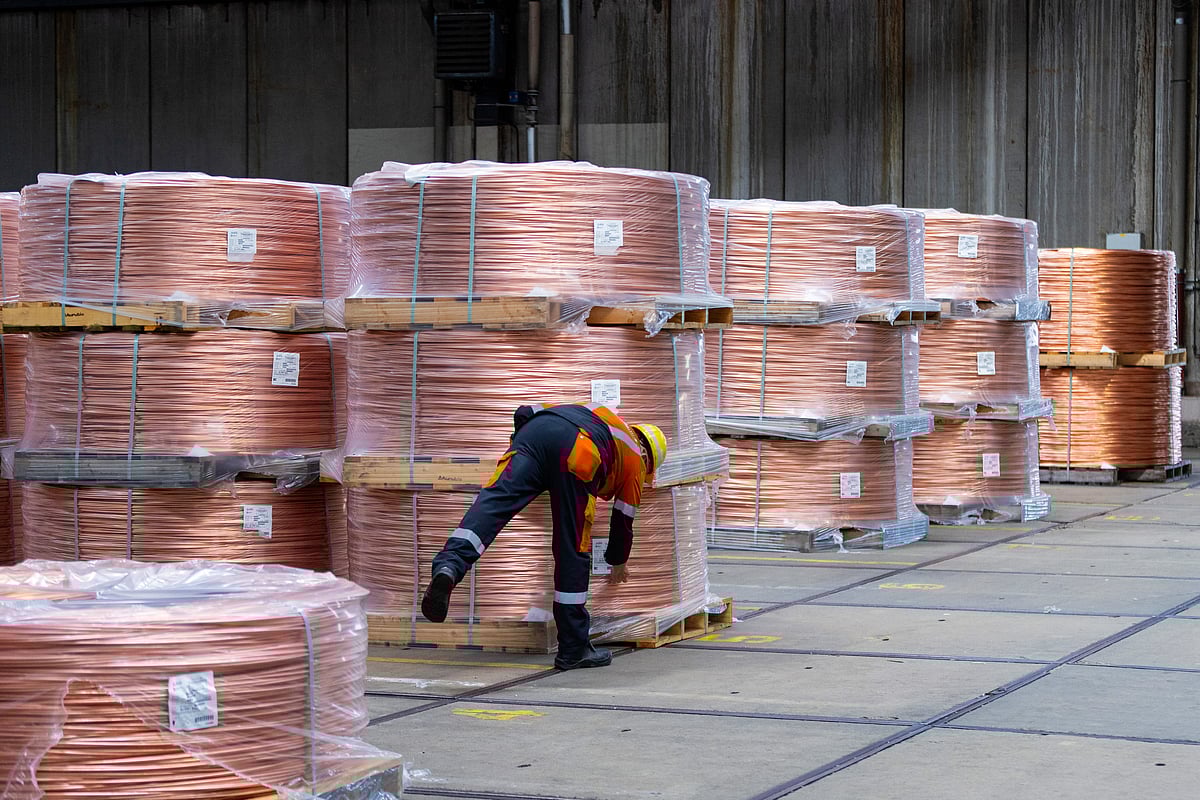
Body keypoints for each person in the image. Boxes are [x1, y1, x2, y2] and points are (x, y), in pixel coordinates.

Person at [420, 402, 667, 670]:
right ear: (647, 454)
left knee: (492, 506)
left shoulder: (601, 414)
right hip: (578, 451)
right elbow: (623, 520)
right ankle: (574, 649)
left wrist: (529, 455)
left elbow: (525, 412)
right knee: (572, 548)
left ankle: (450, 565)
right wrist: (617, 560)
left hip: (533, 434)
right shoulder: (634, 457)